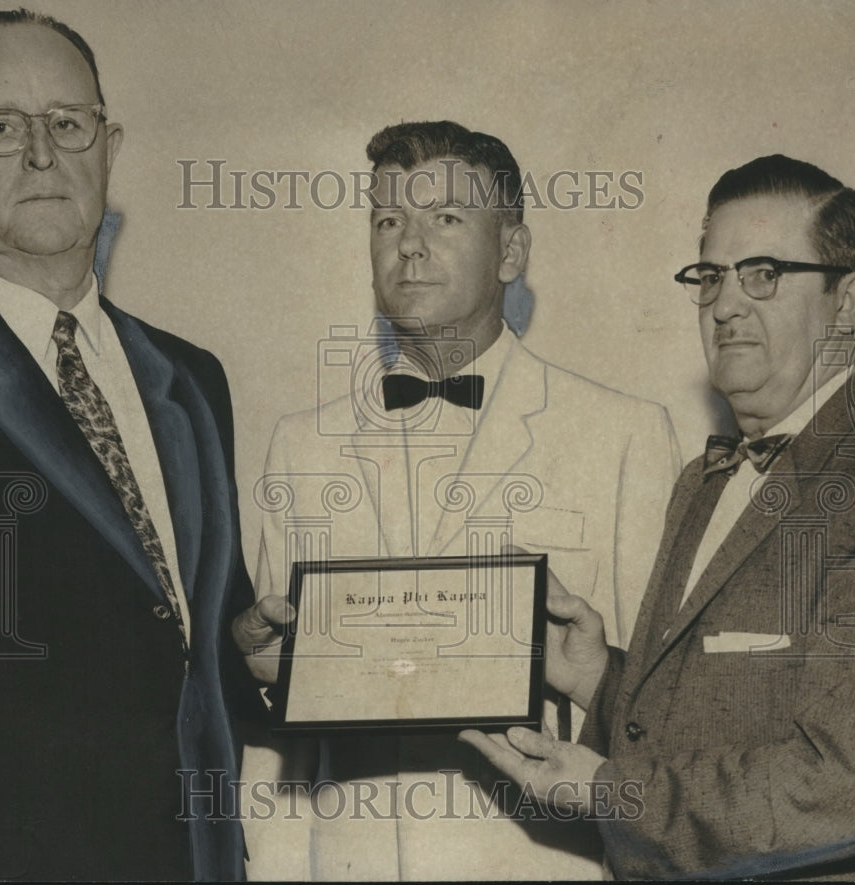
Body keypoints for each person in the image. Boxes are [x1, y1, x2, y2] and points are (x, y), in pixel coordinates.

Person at [244, 121, 681, 880]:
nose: (409, 245)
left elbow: (664, 706)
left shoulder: (625, 435)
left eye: (445, 218)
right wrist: (254, 667)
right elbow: (275, 733)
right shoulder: (298, 445)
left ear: (512, 251)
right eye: (387, 220)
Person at [0, 9, 279, 880]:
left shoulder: (190, 377)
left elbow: (187, 649)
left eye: (67, 124)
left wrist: (253, 651)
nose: (42, 154)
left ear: (108, 145)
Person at [462, 154, 855, 879]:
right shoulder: (704, 479)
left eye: (763, 273)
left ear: (847, 300)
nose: (725, 304)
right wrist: (600, 680)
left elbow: (852, 781)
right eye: (711, 276)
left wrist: (605, 788)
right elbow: (719, 721)